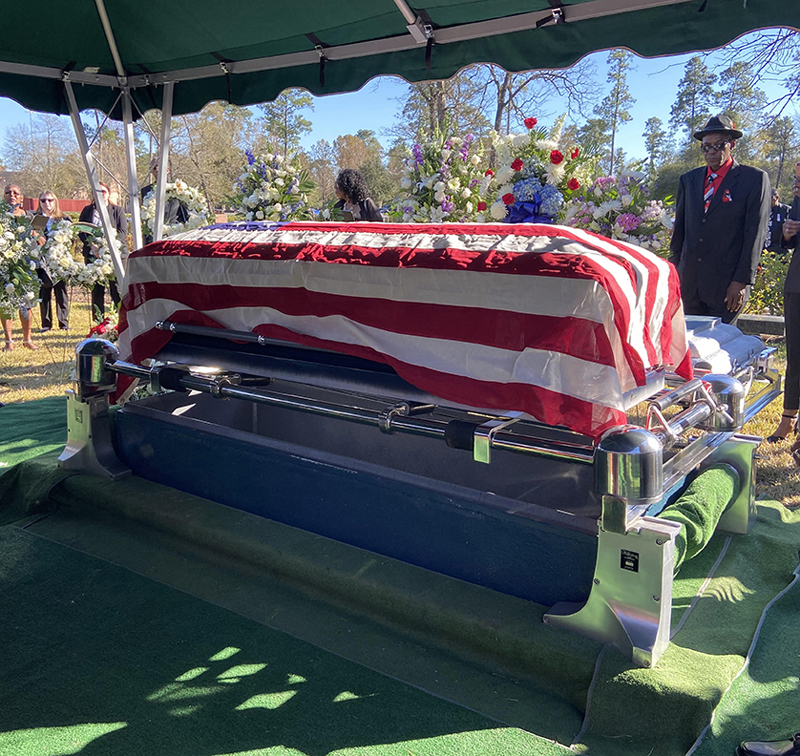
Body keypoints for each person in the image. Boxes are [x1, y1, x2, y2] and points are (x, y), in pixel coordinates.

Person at [669, 115, 771, 325]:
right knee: (688, 341)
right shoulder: (688, 180)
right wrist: (673, 272)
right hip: (689, 285)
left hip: (726, 287)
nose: (711, 151)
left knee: (719, 341)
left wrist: (741, 281)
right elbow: (680, 232)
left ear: (732, 145)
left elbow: (755, 234)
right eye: (706, 146)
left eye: (718, 145)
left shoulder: (753, 179)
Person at [772, 175, 800, 445]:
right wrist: (788, 234)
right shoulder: (798, 198)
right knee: (795, 353)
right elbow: (789, 241)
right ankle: (788, 417)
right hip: (797, 283)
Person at [78, 182, 128, 320]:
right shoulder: (87, 211)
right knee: (97, 289)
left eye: (103, 191)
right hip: (93, 255)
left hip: (115, 255)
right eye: (97, 192)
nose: (100, 194)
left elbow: (122, 233)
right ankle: (98, 321)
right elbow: (81, 231)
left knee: (117, 289)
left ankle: (121, 320)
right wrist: (92, 246)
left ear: (108, 193)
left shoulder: (117, 210)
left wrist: (105, 247)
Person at [1, 184, 35, 351]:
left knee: (26, 302)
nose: (12, 195)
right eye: (8, 192)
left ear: (21, 197)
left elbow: (39, 237)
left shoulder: (29, 216)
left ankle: (27, 339)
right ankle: (9, 342)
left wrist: (37, 236)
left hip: (25, 264)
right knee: (6, 302)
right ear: (4, 197)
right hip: (4, 264)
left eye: (16, 193)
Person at [34, 191, 70, 331]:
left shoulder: (63, 219)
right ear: (39, 202)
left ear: (55, 201)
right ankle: (46, 324)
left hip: (59, 260)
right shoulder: (36, 219)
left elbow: (71, 238)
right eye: (43, 200)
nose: (47, 203)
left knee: (61, 291)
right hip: (41, 260)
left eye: (50, 200)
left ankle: (63, 323)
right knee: (44, 291)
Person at [141, 157, 188, 244]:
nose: (157, 169)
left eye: (159, 166)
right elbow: (145, 216)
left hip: (175, 234)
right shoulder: (146, 191)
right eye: (154, 167)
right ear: (151, 171)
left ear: (167, 170)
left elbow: (186, 213)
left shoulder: (178, 188)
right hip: (153, 236)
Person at [765, 188, 792, 254]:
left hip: (778, 250)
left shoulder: (786, 211)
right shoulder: (761, 211)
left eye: (768, 197)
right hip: (763, 250)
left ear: (776, 198)